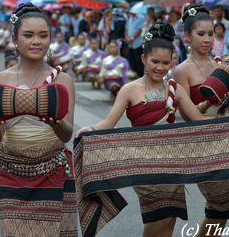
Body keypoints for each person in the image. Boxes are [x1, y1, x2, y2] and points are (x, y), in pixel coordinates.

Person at [76, 21, 214, 237]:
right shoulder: (129, 89)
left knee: (169, 220)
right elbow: (108, 122)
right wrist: (89, 129)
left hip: (172, 162)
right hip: (144, 163)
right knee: (157, 216)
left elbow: (198, 119)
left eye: (166, 63)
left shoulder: (174, 88)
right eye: (155, 61)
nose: (160, 67)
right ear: (143, 59)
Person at [0, 3, 77, 236]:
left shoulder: (63, 80)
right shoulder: (0, 81)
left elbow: (67, 134)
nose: (36, 41)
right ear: (15, 39)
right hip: (12, 174)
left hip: (53, 171)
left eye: (43, 35)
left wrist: (56, 124)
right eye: (28, 35)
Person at [174, 3, 229, 237]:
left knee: (218, 212)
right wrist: (212, 105)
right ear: (188, 36)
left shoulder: (220, 64)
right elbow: (186, 114)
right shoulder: (182, 70)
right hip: (202, 144)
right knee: (221, 206)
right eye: (201, 34)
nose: (207, 39)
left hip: (226, 142)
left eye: (210, 34)